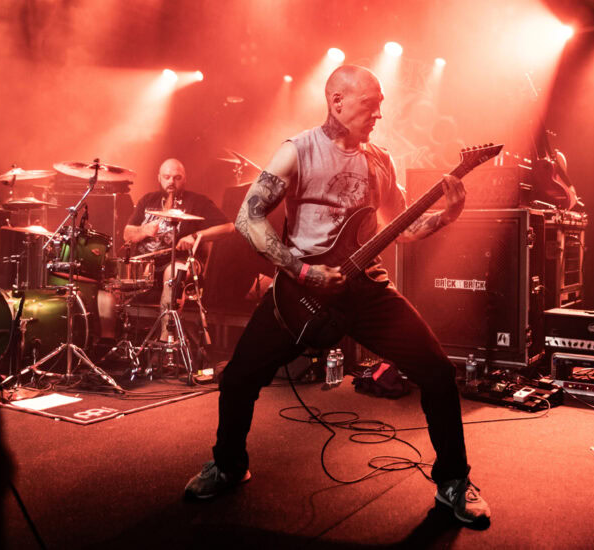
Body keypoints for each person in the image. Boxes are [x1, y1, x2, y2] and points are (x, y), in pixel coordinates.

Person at [184, 65, 491, 526]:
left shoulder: (380, 160)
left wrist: (448, 216)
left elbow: (401, 229)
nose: (379, 114)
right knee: (239, 378)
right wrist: (302, 271)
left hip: (366, 286)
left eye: (381, 105)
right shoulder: (298, 151)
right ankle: (228, 465)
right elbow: (249, 219)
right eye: (371, 105)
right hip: (301, 290)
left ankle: (452, 482)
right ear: (337, 102)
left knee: (438, 372)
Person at [123, 158, 233, 339]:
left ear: (185, 179)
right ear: (159, 178)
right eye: (167, 177)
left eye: (177, 177)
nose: (171, 182)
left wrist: (195, 236)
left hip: (185, 262)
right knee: (110, 280)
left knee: (173, 272)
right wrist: (144, 230)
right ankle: (113, 341)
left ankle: (166, 340)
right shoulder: (147, 200)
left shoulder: (197, 202)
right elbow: (127, 234)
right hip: (146, 265)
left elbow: (228, 227)